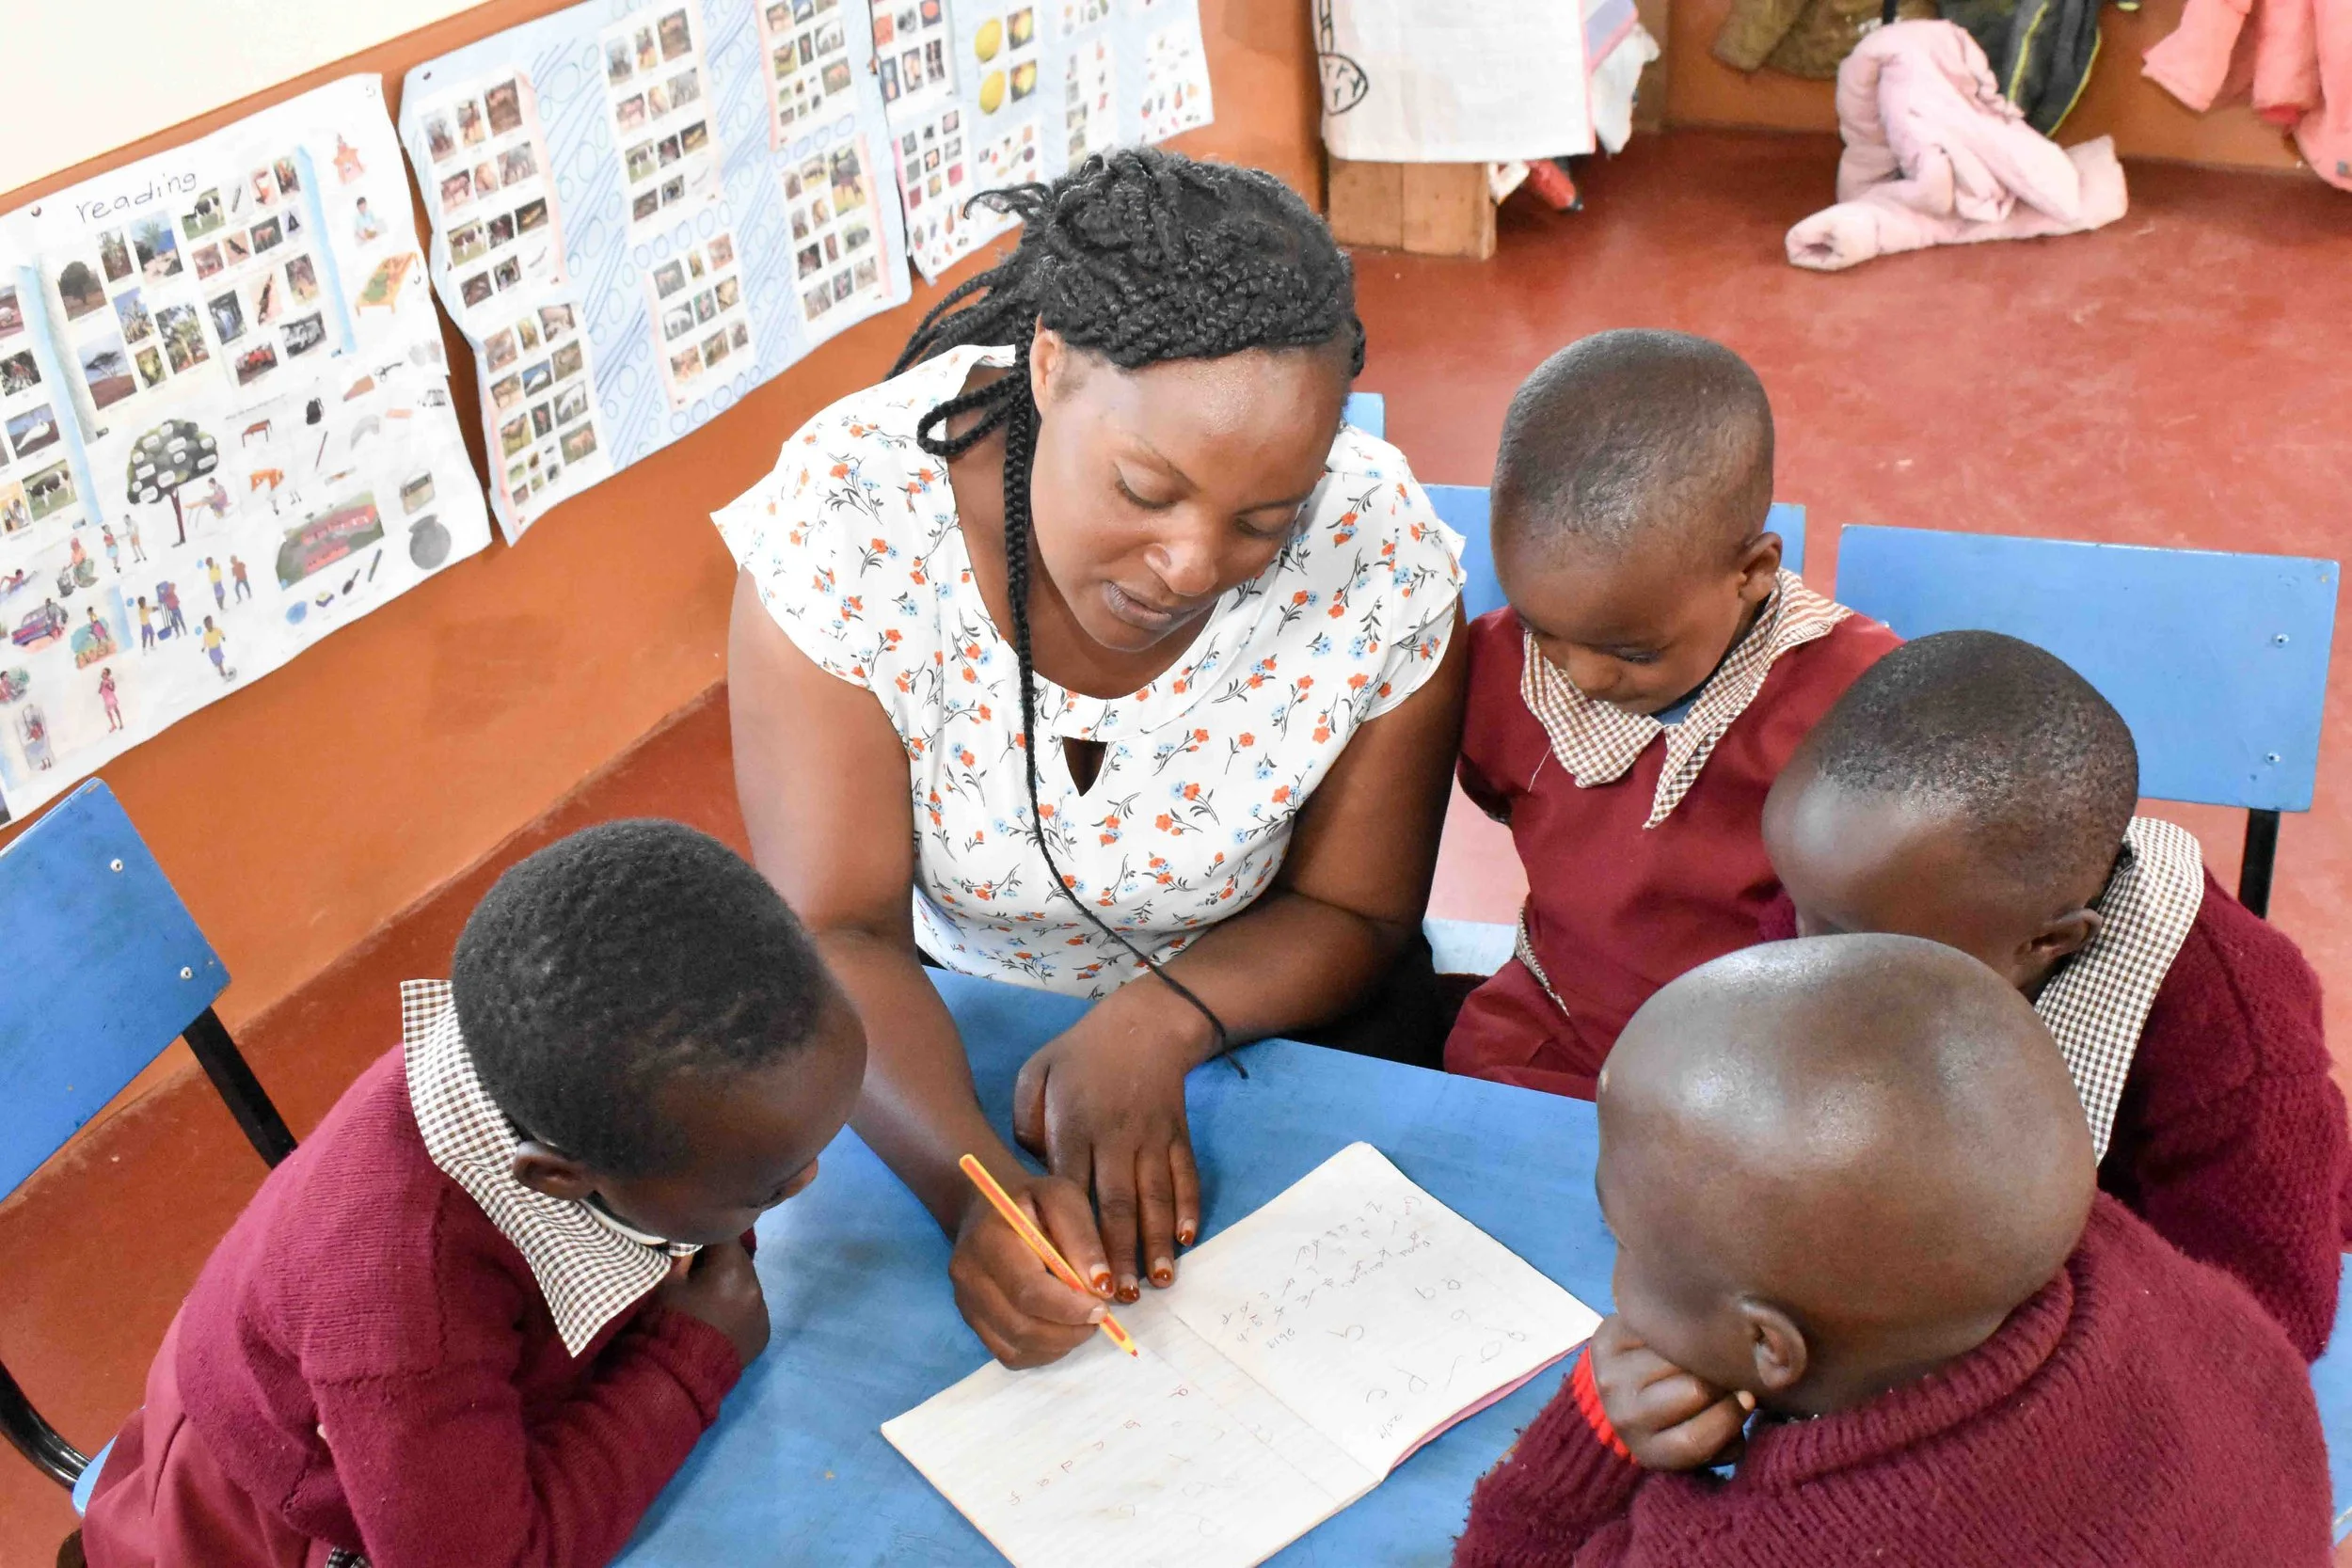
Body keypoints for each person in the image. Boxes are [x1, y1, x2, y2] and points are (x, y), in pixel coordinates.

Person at [719, 148, 1466, 1367]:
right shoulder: (853, 529)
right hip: (942, 1039)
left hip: (1274, 1018)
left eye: (1263, 520)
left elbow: (1358, 908)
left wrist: (1155, 1024)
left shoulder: (1376, 555)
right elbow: (837, 930)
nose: (1192, 563)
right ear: (1050, 364)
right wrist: (975, 1190)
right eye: (1144, 488)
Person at [78, 821, 867, 1568]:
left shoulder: (570, 1067)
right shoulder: (401, 1305)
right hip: (286, 1517)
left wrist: (726, 1213)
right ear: (561, 1176)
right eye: (768, 1183)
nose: (809, 1180)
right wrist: (690, 1359)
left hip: (452, 1428)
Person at [1454, 935, 2333, 1566]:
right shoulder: (2124, 1263)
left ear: (1771, 1347)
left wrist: (1596, 1429)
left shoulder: (1739, 1548)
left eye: (1625, 1238)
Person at [1758, 630, 2351, 1356]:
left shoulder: (2236, 1035)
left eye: (1851, 940)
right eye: (1798, 907)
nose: (1802, 956)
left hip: (2125, 1304)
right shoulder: (1858, 895)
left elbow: (2263, 1324)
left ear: (2050, 944)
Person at [1445, 330, 1898, 1099]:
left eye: (1633, 649)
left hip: (1758, 1056)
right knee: (1472, 1080)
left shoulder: (1859, 703)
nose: (1582, 675)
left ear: (1752, 572)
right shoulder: (1501, 665)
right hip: (1561, 1020)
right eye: (1543, 629)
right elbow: (1498, 788)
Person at [199, 615, 230, 680]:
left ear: (212, 623)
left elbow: (220, 632)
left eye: (210, 623)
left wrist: (223, 637)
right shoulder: (206, 634)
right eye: (206, 624)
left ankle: (222, 672)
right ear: (205, 626)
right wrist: (204, 648)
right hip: (211, 650)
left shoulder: (216, 630)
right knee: (217, 662)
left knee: (219, 661)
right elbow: (205, 642)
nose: (208, 626)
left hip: (217, 648)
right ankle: (221, 671)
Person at [99, 667, 122, 731]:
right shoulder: (103, 681)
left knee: (113, 710)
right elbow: (100, 691)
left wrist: (109, 684)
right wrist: (102, 686)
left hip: (110, 697)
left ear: (108, 674)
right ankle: (115, 724)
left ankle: (118, 723)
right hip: (107, 699)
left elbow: (112, 689)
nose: (102, 675)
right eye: (102, 673)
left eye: (104, 673)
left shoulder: (108, 680)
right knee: (110, 711)